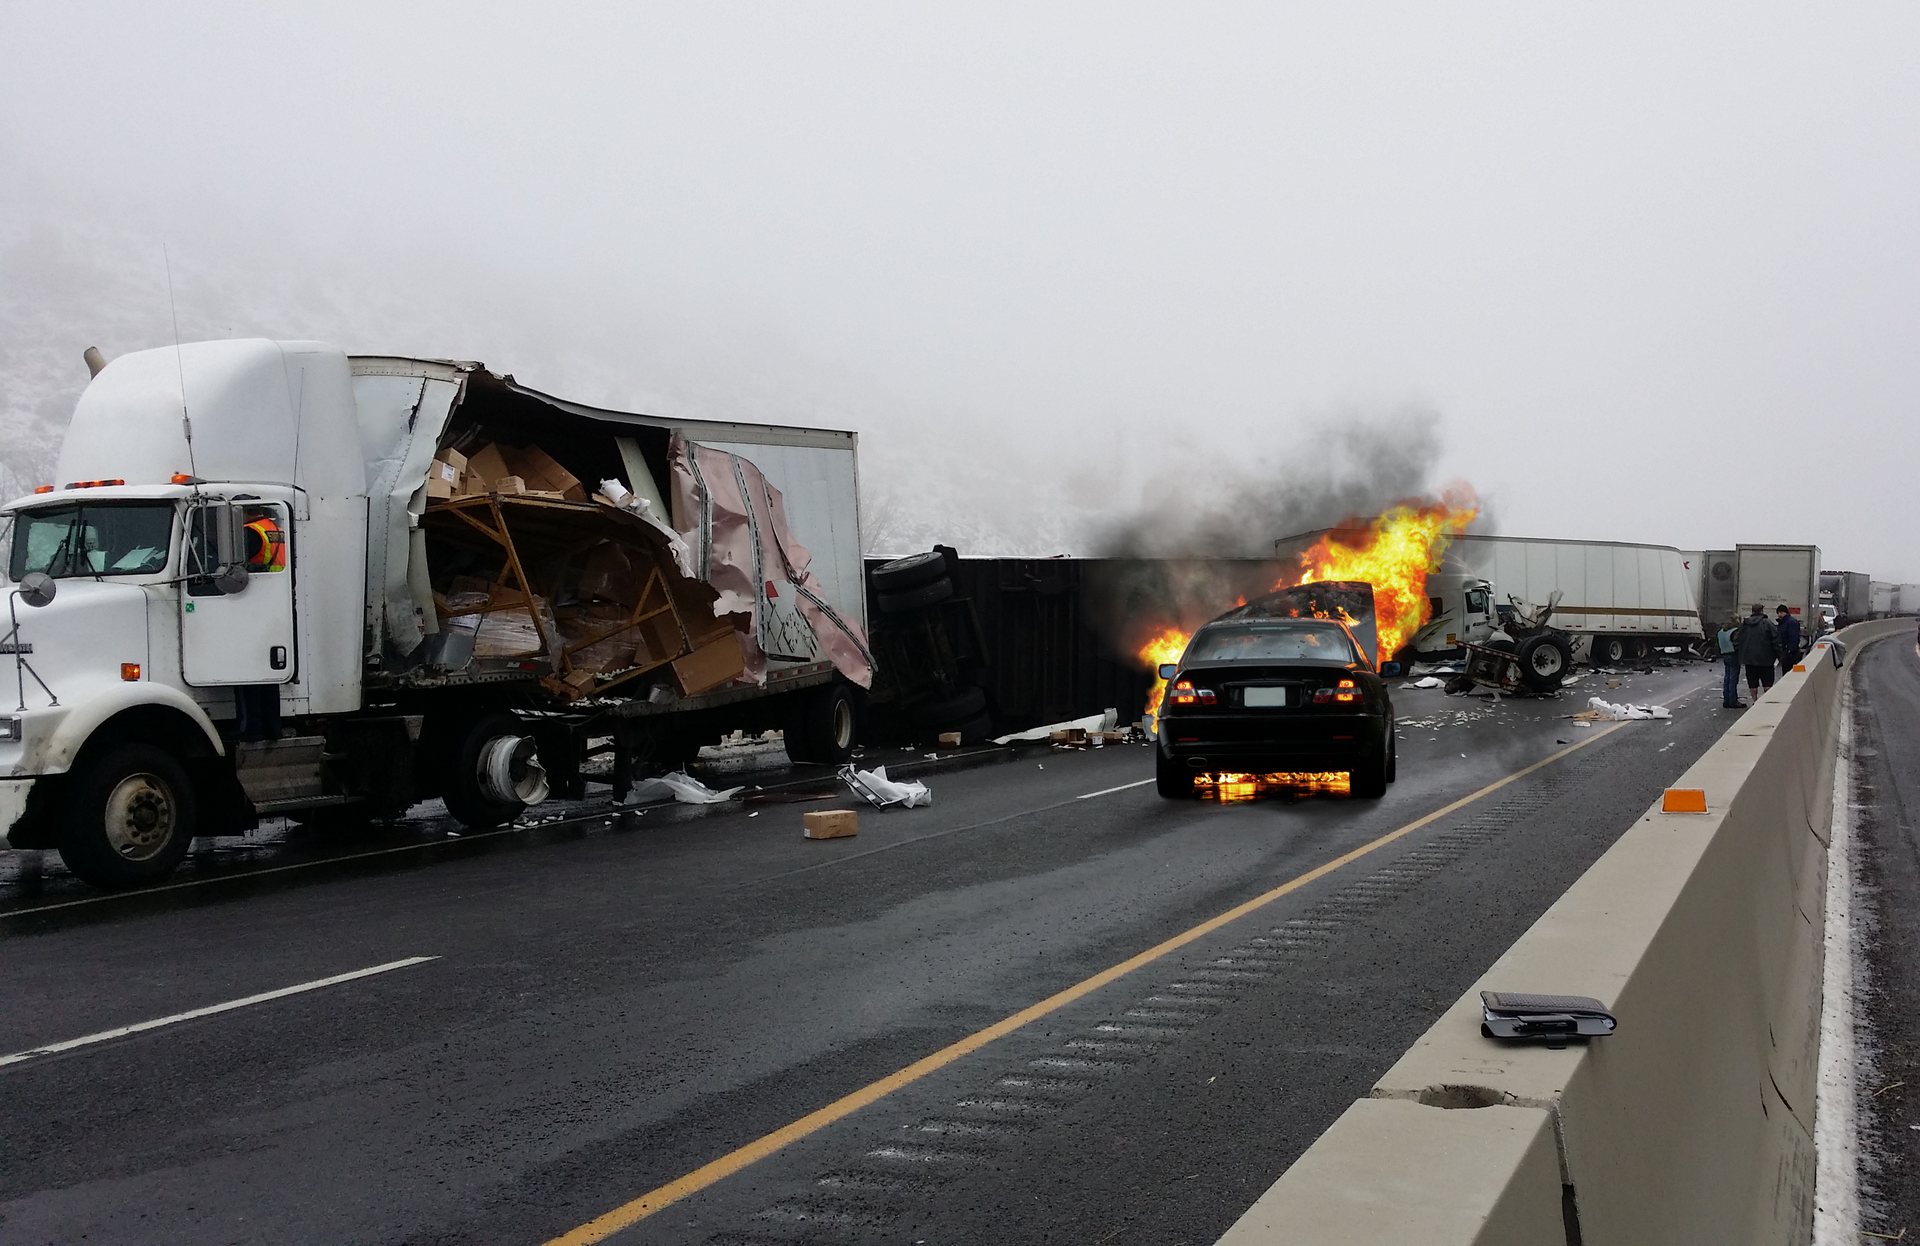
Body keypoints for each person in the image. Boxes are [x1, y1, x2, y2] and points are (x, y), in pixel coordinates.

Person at [1737, 603, 1780, 705]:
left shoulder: (1745, 624)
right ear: (1762, 611)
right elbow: (1776, 640)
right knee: (1767, 682)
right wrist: (1778, 655)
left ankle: (1754, 701)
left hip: (1749, 660)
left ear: (1752, 611)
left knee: (1752, 682)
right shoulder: (1768, 623)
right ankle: (1765, 702)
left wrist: (1742, 654)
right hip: (1766, 659)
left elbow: (1739, 639)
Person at [1716, 614, 1744, 708]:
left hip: (1725, 654)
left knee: (1727, 677)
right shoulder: (1735, 631)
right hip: (1733, 655)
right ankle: (1733, 700)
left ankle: (1726, 699)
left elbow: (1717, 644)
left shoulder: (1721, 631)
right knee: (1733, 679)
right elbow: (1737, 643)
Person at [1775, 605, 1802, 678]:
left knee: (1788, 673)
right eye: (1778, 612)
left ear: (1785, 612)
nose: (1779, 615)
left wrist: (1790, 651)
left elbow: (1794, 637)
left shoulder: (1791, 622)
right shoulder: (1784, 622)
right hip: (1786, 651)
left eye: (1780, 612)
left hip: (1789, 653)